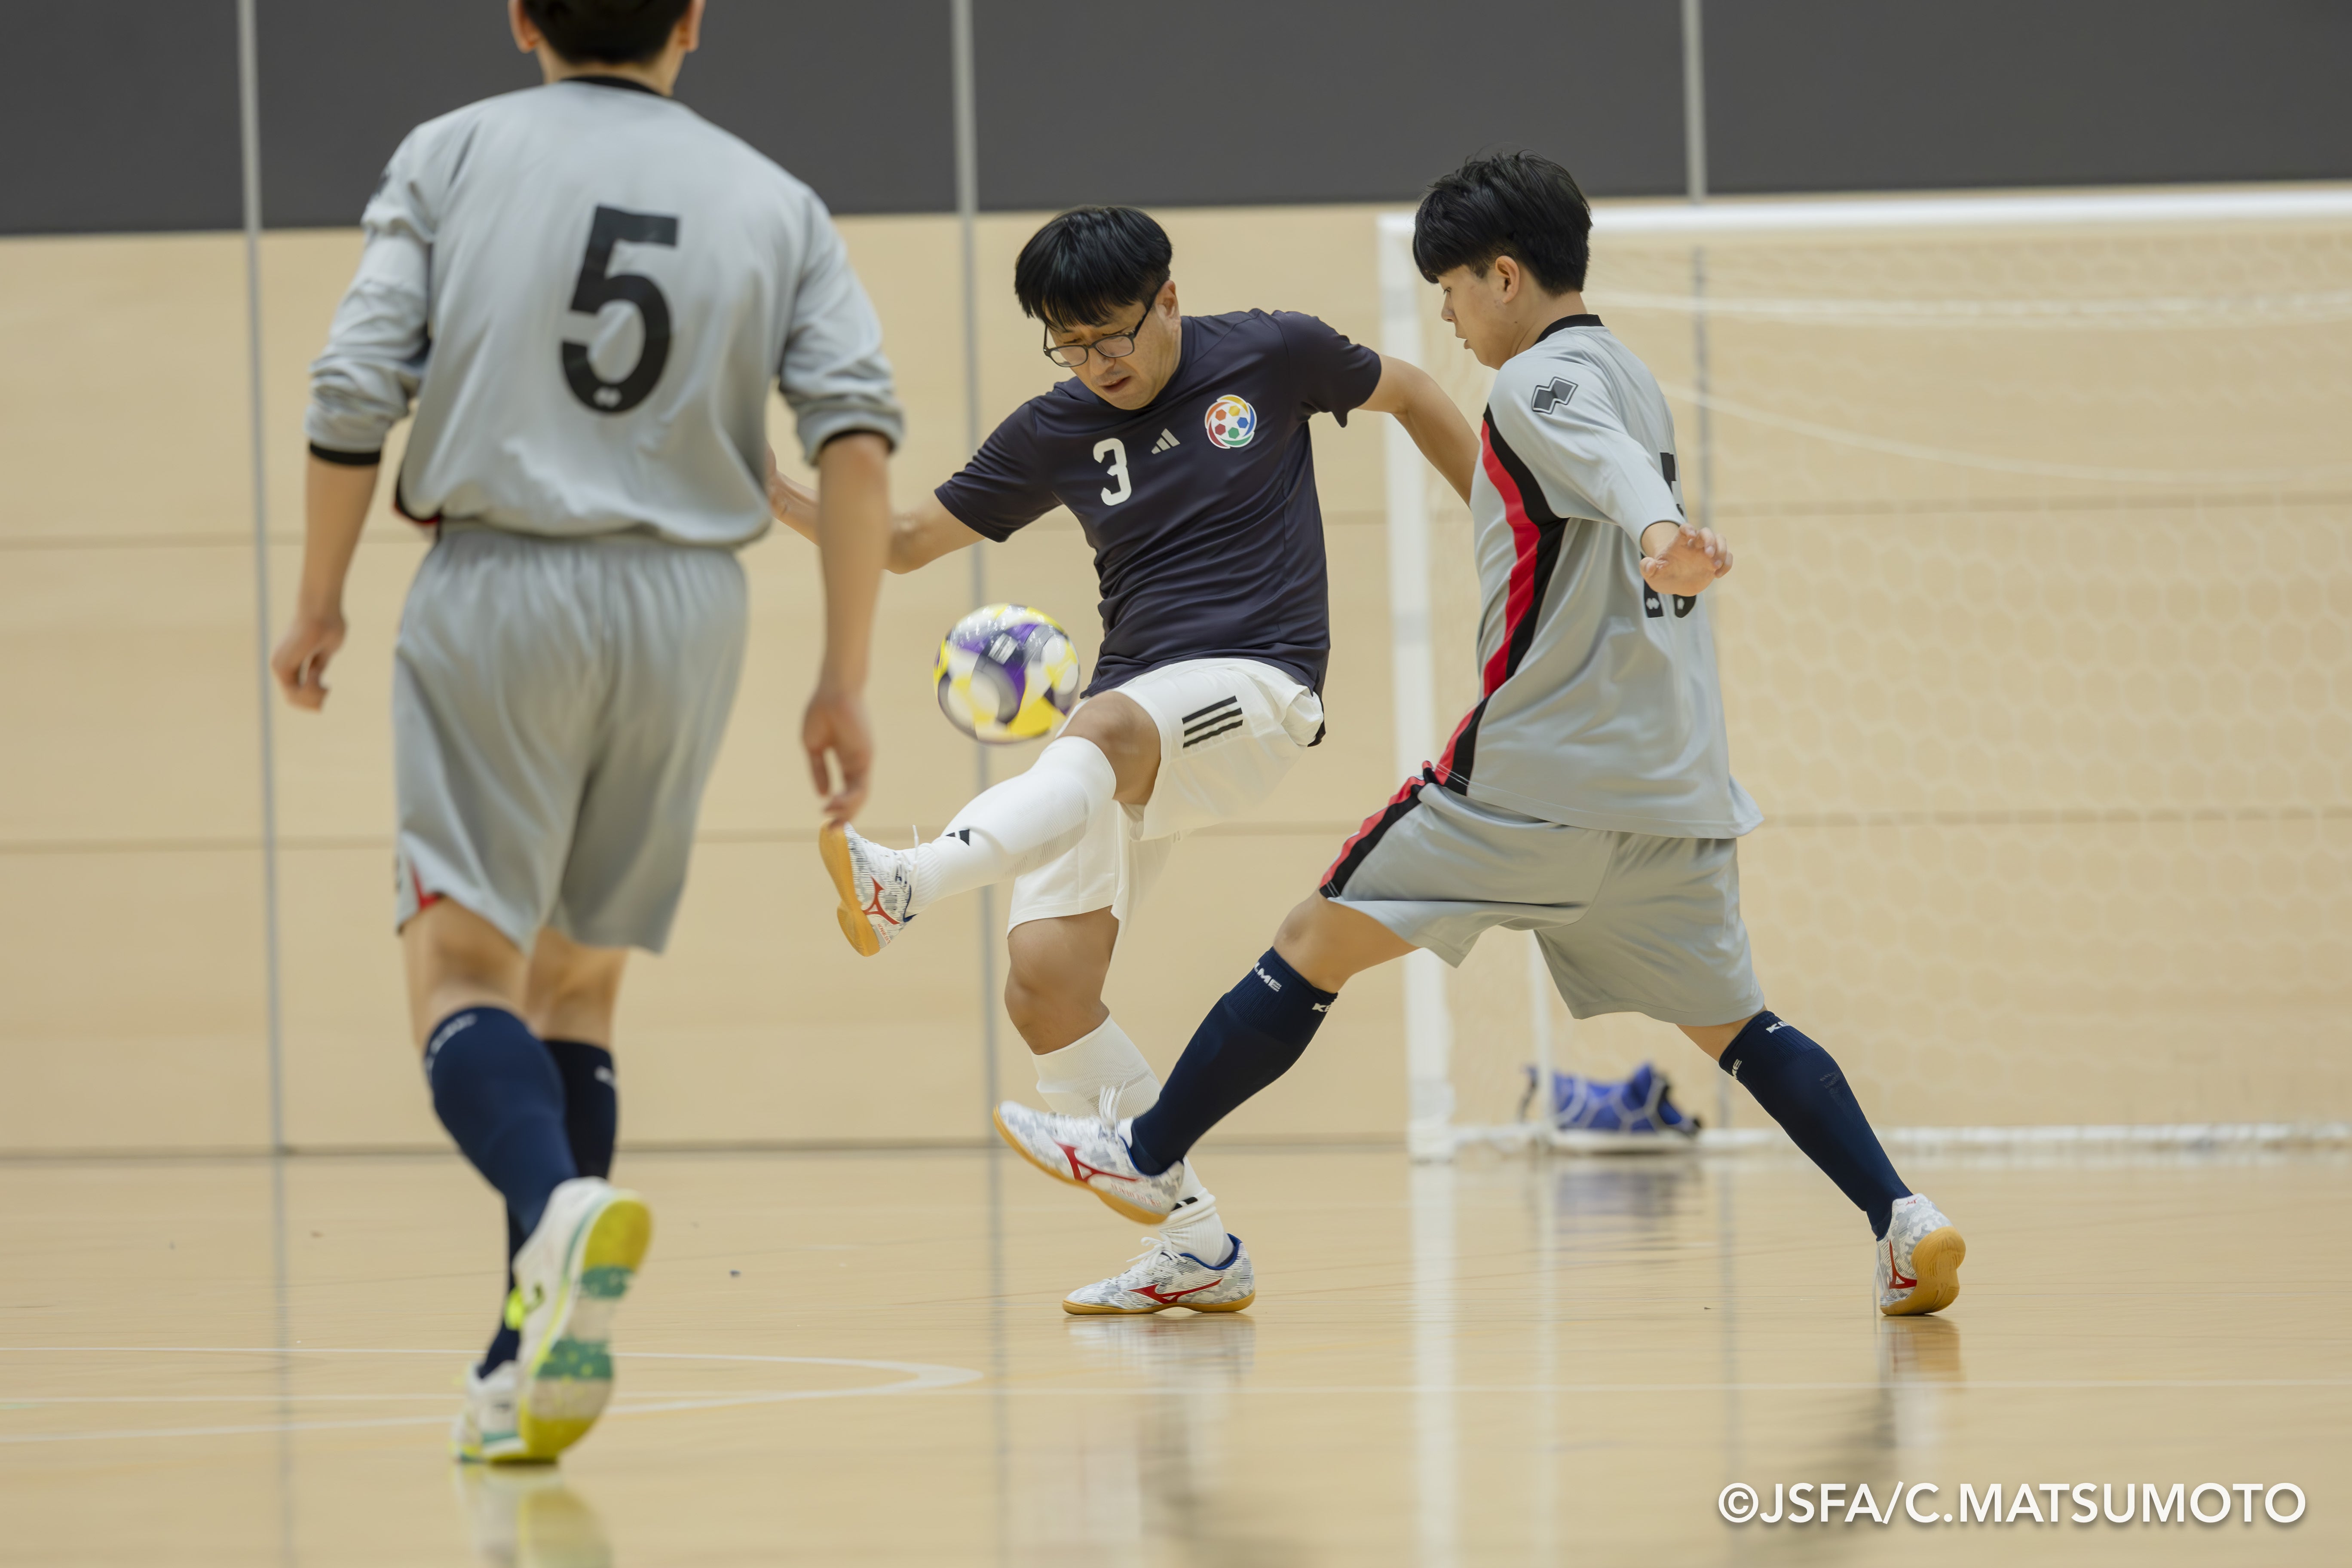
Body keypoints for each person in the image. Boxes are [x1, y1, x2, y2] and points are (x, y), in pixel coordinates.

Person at [994, 152, 1968, 1319]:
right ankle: (1902, 1218)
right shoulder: (1631, 372)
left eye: (1451, 291)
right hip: (1673, 789)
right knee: (1737, 1025)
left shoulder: (1535, 384)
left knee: (1311, 940)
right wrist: (1658, 530)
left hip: (1536, 774)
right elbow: (1615, 462)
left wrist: (1660, 534)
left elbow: (1609, 471)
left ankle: (1147, 1154)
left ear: (1505, 277)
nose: (1448, 319)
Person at [270, 0, 900, 1461]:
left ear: (519, 18)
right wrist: (843, 675)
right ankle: (523, 1360)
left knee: (462, 968)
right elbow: (857, 438)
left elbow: (354, 384)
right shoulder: (775, 199)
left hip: (501, 583)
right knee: (580, 988)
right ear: (695, 21)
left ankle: (555, 1212)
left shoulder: (450, 154)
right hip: (689, 608)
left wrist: (318, 599)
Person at [767, 204, 1477, 1314]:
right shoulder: (1054, 427)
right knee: (1045, 987)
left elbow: (1417, 392)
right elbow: (902, 545)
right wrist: (769, 490)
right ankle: (1199, 1249)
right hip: (1135, 713)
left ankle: (907, 883)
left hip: (1261, 686)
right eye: (1071, 344)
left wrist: (1509, 527)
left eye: (1115, 335)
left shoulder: (1272, 352)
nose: (1098, 362)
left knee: (1093, 730)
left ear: (1169, 300)